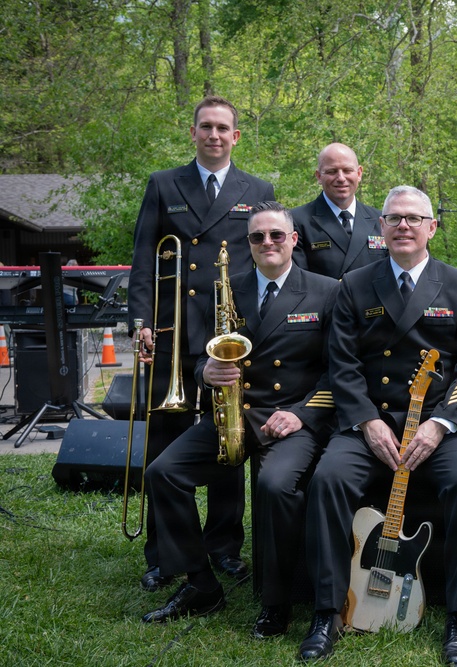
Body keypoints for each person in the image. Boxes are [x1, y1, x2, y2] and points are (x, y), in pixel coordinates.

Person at [301, 186, 457, 665]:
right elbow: (341, 364)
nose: (403, 226)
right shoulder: (354, 284)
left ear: (432, 227)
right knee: (327, 481)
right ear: (380, 227)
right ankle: (327, 611)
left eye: (414, 218)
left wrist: (440, 424)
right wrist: (366, 421)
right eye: (394, 218)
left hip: (438, 423)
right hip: (373, 422)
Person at [140, 201, 339, 633]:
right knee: (163, 473)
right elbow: (199, 358)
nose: (267, 242)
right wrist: (205, 372)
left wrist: (302, 415)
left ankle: (277, 602)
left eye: (276, 235)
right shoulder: (226, 287)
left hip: (289, 421)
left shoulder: (327, 291)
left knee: (274, 486)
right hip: (230, 415)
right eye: (257, 236)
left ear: (294, 240)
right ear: (248, 242)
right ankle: (199, 582)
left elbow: (339, 372)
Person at [128, 95, 275, 593]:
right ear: (192, 133)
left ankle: (223, 547)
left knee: (227, 440)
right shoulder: (164, 183)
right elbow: (144, 255)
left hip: (227, 336)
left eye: (223, 128)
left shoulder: (258, 189)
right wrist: (140, 319)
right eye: (205, 127)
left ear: (236, 136)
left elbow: (265, 262)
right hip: (170, 334)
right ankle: (166, 555)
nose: (214, 135)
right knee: (165, 444)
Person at [291, 142, 387, 278]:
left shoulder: (381, 220)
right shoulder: (297, 221)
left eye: (347, 170)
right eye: (332, 171)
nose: (341, 178)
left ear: (359, 173)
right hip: (324, 298)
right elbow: (299, 280)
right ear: (319, 176)